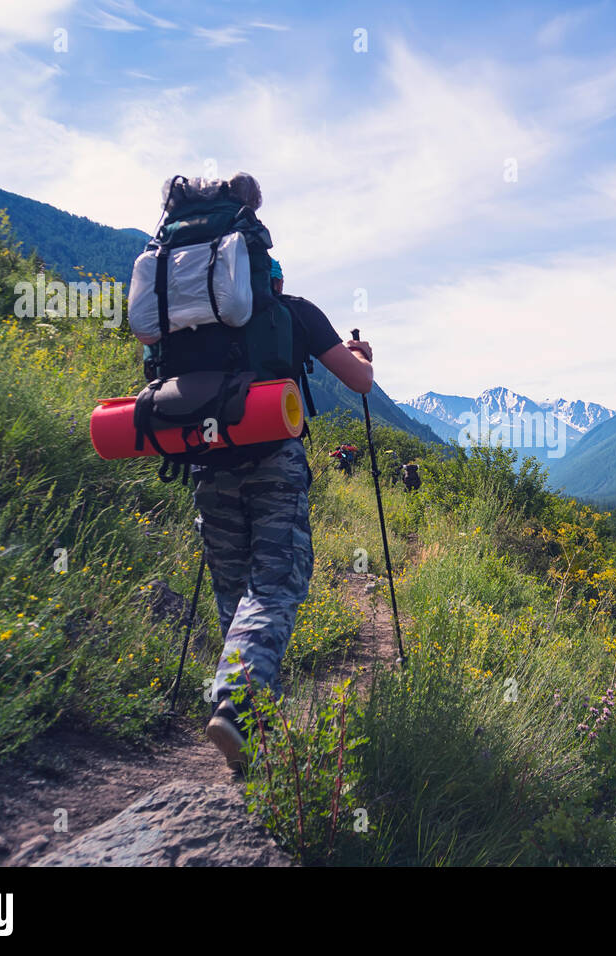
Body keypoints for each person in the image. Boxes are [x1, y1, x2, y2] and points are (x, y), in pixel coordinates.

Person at [202, 253, 374, 773]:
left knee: (234, 592)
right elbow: (359, 382)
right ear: (271, 277)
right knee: (275, 584)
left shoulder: (192, 318)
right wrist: (362, 357)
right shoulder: (293, 311)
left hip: (206, 462)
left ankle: (247, 734)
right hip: (275, 461)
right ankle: (240, 700)